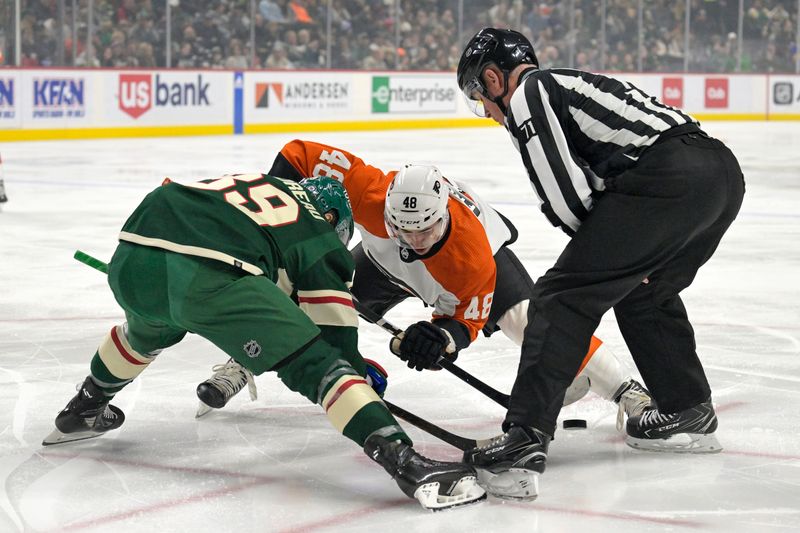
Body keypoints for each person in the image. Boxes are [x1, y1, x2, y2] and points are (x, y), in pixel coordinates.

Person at [42, 173, 486, 511]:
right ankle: (406, 463)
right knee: (318, 367)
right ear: (333, 219)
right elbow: (336, 350)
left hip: (135, 251)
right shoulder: (318, 233)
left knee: (146, 331)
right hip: (208, 276)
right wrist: (356, 375)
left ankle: (83, 408)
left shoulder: (267, 190)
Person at [196, 140, 653, 447]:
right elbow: (298, 154)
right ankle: (245, 359)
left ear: (444, 215)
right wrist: (280, 201)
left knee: (537, 323)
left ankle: (627, 392)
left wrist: (442, 338)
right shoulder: (371, 192)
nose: (415, 240)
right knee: (302, 299)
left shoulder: (471, 257)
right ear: (388, 211)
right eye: (404, 229)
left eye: (425, 231)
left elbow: (466, 320)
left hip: (464, 272)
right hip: (380, 261)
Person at [455, 28, 744, 498]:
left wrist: (601, 258)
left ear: (492, 78)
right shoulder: (567, 85)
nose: (486, 112)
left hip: (668, 177)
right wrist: (622, 258)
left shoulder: (530, 91)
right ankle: (687, 409)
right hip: (720, 178)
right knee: (645, 291)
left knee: (560, 298)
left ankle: (524, 438)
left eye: (479, 98)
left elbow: (565, 193)